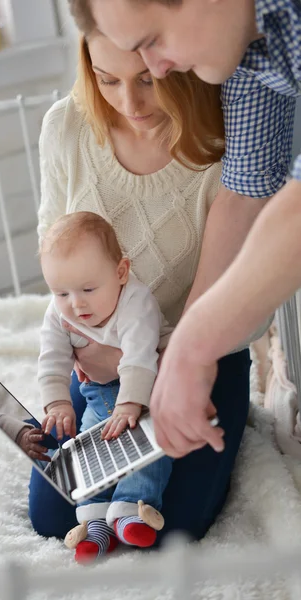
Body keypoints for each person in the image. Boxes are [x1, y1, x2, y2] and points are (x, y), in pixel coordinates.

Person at [28, 31, 265, 545]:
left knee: (173, 526)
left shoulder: (231, 138)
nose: (129, 103)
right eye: (107, 79)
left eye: (148, 81)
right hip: (98, 366)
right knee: (55, 516)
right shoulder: (66, 128)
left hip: (202, 351)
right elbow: (56, 260)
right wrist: (84, 357)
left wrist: (154, 356)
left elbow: (248, 296)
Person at [67, 0, 301, 458]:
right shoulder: (248, 52)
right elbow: (246, 192)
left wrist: (194, 346)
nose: (158, 65)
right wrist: (183, 349)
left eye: (153, 40)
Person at [38, 211, 174, 563]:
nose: (76, 303)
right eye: (61, 292)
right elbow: (51, 359)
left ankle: (133, 507)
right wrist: (57, 404)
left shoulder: (136, 301)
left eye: (87, 289)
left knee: (149, 445)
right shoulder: (60, 312)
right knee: (90, 452)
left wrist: (131, 405)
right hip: (97, 393)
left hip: (150, 388)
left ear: (121, 273)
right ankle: (95, 522)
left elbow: (140, 359)